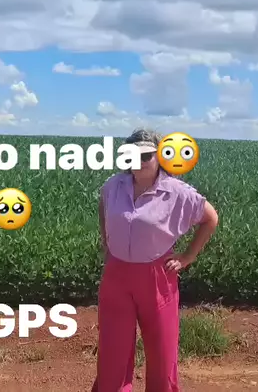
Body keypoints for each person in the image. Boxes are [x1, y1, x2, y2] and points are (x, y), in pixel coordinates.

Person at [91, 128, 219, 392]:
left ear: (160, 156)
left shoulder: (176, 192)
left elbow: (210, 218)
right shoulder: (113, 185)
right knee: (112, 351)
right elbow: (104, 206)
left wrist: (188, 256)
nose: (138, 162)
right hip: (116, 276)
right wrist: (107, 242)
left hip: (156, 277)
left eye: (145, 156)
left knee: (162, 352)